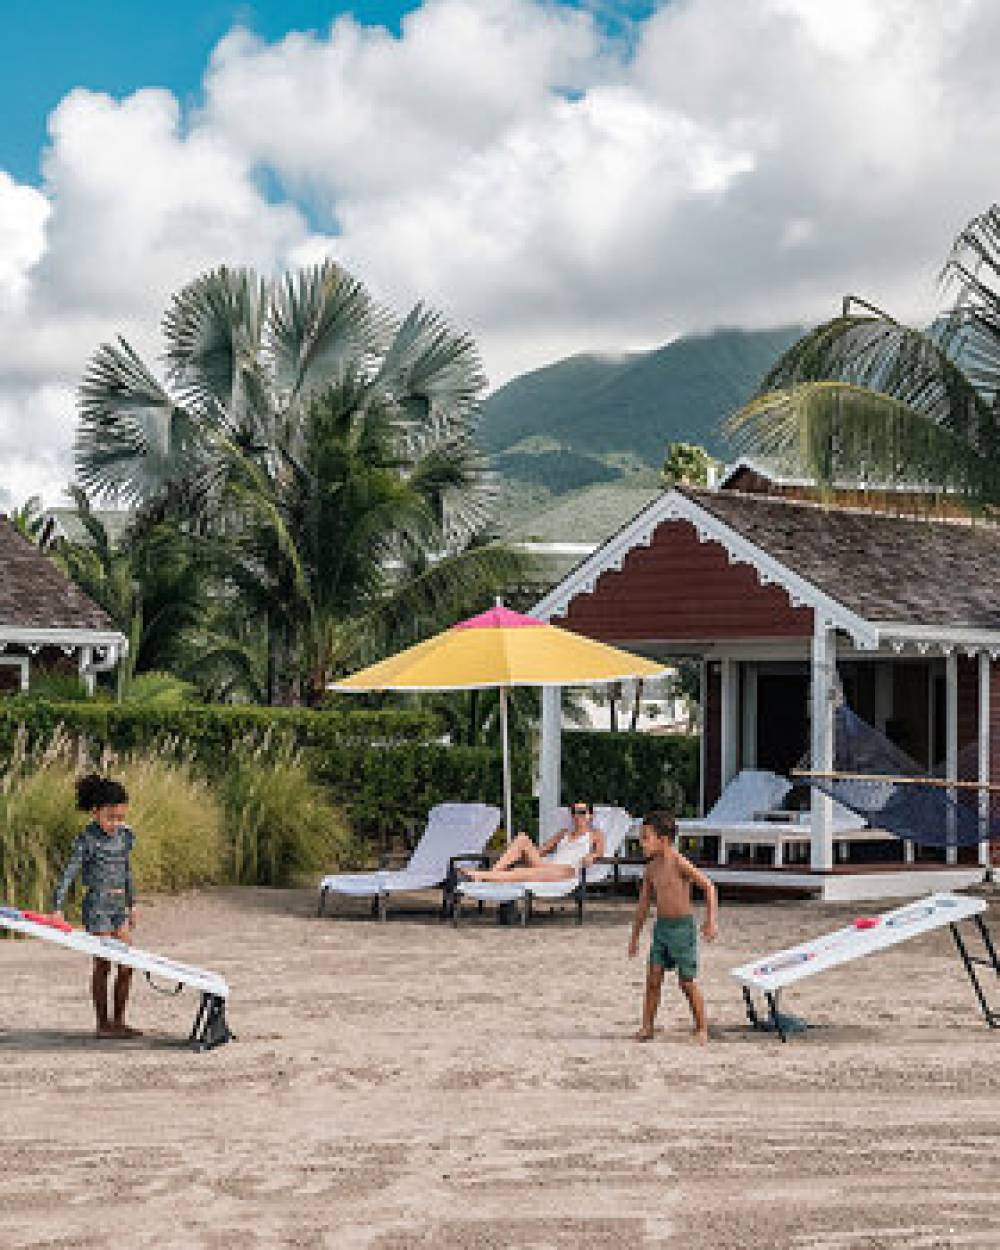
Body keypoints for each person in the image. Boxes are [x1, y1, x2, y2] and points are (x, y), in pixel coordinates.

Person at [53, 774, 140, 1039]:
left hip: (118, 908)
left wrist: (132, 902)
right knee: (103, 964)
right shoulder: (86, 840)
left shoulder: (125, 837)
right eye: (110, 817)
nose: (116, 823)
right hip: (97, 907)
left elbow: (126, 871)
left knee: (127, 966)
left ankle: (119, 1021)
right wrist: (57, 908)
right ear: (95, 812)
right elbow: (69, 874)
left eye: (120, 817)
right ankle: (103, 1024)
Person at [628, 809, 718, 1045]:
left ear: (663, 840)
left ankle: (701, 1027)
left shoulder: (679, 862)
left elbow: (708, 886)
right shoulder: (650, 869)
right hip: (662, 930)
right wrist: (635, 937)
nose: (641, 843)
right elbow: (643, 905)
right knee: (653, 978)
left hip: (683, 930)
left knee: (686, 982)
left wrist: (710, 920)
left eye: (646, 838)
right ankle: (647, 1026)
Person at [460, 800, 605, 882]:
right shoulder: (563, 833)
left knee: (521, 872)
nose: (577, 816)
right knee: (522, 838)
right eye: (574, 812)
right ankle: (492, 873)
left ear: (590, 815)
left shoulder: (595, 834)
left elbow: (599, 852)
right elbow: (540, 851)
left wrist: (591, 856)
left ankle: (481, 876)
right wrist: (520, 854)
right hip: (548, 865)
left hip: (567, 870)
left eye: (582, 812)